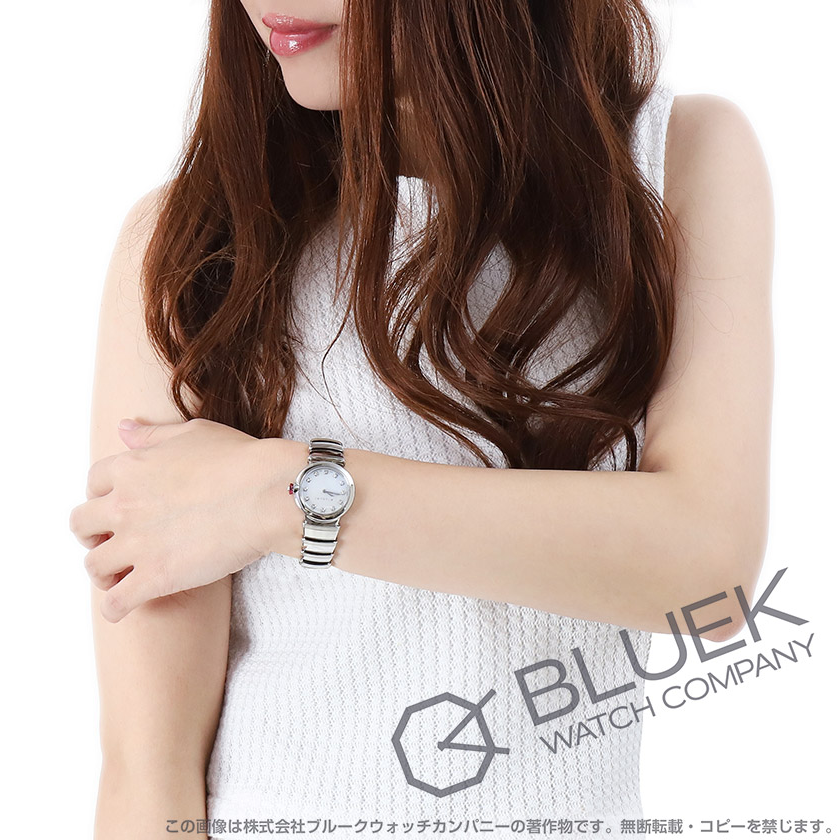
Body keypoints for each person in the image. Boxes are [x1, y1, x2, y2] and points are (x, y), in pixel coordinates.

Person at [69, 0, 774, 838]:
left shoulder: (671, 163)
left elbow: (708, 572)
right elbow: (148, 775)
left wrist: (277, 496)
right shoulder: (192, 243)